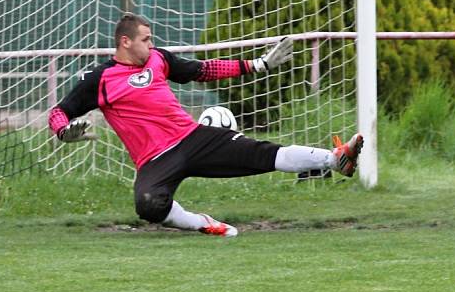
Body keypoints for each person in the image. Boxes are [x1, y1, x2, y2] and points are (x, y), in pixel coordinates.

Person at [48, 14, 363, 238]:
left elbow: (204, 70)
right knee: (148, 206)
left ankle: (336, 159)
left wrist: (258, 65)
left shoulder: (159, 59)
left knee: (262, 153)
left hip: (191, 138)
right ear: (125, 42)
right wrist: (64, 132)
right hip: (155, 160)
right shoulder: (99, 79)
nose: (152, 44)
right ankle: (202, 223)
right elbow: (58, 112)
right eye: (146, 39)